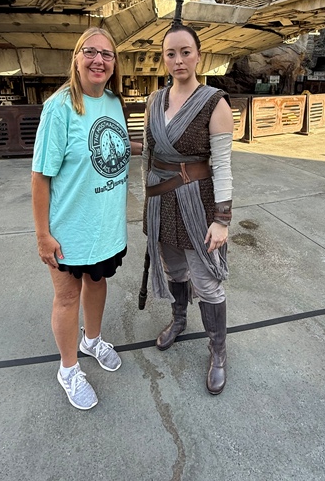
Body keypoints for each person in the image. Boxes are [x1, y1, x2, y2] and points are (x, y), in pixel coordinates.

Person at [32, 27, 143, 410]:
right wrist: (43, 235)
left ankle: (92, 340)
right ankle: (68, 369)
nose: (99, 60)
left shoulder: (113, 101)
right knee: (67, 297)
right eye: (90, 52)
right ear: (77, 58)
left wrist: (155, 146)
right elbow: (40, 176)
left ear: (114, 64)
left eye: (107, 54)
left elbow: (116, 152)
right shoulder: (59, 107)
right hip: (69, 229)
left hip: (106, 226)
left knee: (97, 283)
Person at [142, 22, 234, 395]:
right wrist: (146, 202)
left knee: (206, 281)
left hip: (198, 204)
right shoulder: (154, 101)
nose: (178, 60)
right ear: (164, 59)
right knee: (174, 270)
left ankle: (218, 350)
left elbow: (223, 165)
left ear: (198, 56)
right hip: (161, 203)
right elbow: (148, 156)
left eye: (185, 52)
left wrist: (222, 219)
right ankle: (179, 320)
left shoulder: (215, 102)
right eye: (171, 53)